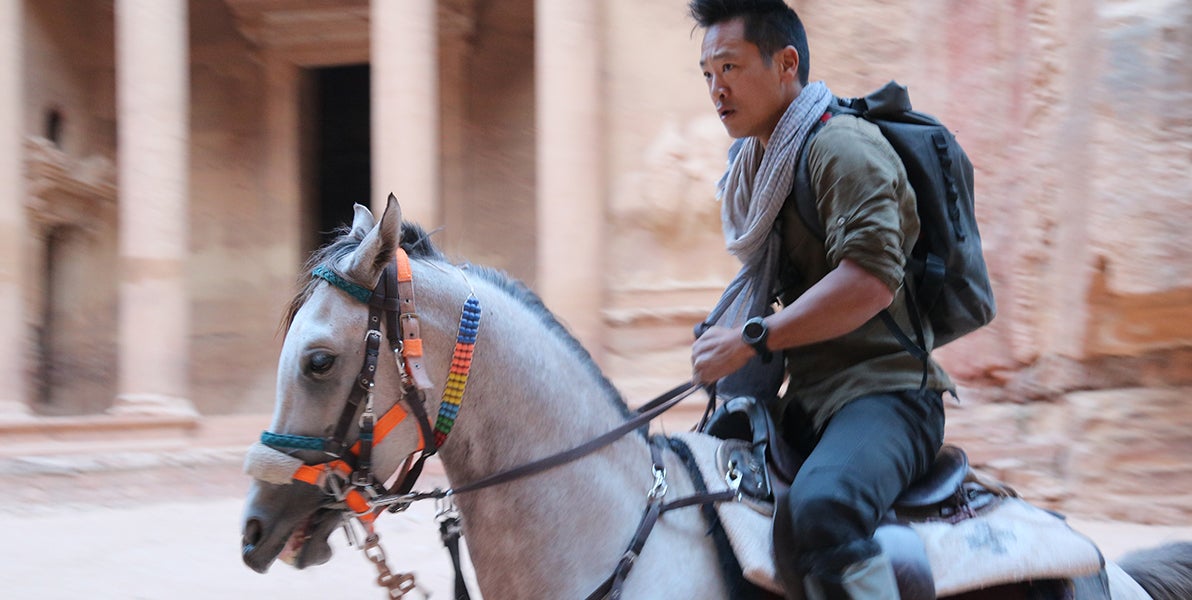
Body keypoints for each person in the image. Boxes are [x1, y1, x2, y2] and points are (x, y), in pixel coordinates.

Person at [687, 1, 954, 599]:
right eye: (707, 74)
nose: (716, 89)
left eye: (729, 68)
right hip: (809, 400)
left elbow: (870, 281)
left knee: (825, 508)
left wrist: (753, 338)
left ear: (787, 63)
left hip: (887, 394)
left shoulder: (841, 148)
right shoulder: (759, 168)